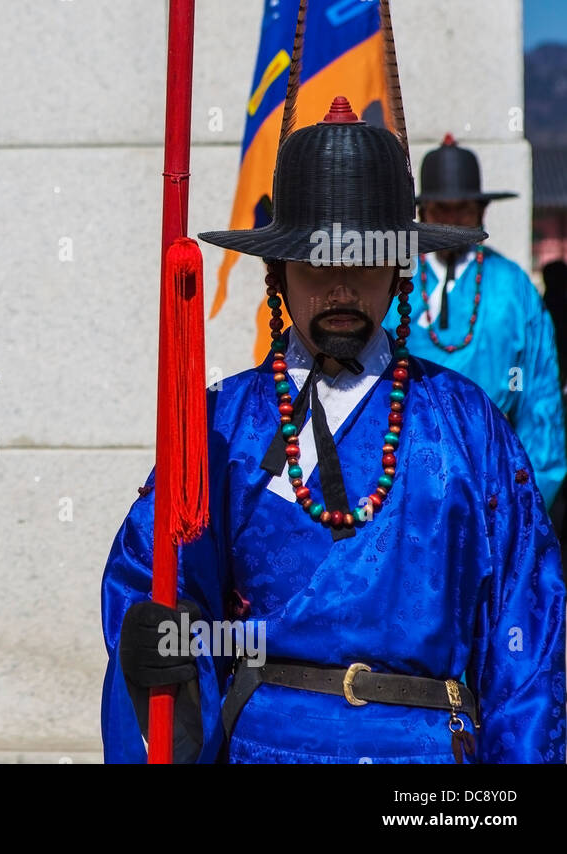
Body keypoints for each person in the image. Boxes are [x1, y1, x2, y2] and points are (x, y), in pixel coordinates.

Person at [101, 97, 565, 764]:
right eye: (318, 265)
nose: (341, 287)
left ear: (398, 269)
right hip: (263, 745)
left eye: (363, 263)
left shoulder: (467, 425)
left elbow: (529, 630)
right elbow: (157, 578)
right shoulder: (223, 424)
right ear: (277, 272)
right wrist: (152, 635)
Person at [392, 134, 566, 509]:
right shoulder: (393, 282)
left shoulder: (512, 286)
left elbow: (539, 398)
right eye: (441, 210)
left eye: (463, 210)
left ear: (481, 213)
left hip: (495, 475)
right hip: (405, 475)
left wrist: (528, 497)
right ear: (423, 214)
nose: (452, 221)